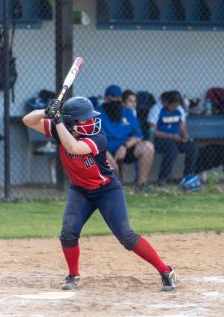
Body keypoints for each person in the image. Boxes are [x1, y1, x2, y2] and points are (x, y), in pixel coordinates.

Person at [22, 96, 176, 292]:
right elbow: (28, 120)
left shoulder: (98, 137)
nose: (92, 121)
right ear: (72, 122)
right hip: (80, 190)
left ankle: (165, 271)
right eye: (85, 119)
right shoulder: (60, 128)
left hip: (107, 190)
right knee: (68, 232)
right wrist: (47, 112)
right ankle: (73, 275)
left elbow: (73, 147)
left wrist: (58, 120)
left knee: (126, 237)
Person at [99, 85, 154, 191]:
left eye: (118, 99)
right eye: (112, 99)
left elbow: (138, 135)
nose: (115, 102)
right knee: (112, 171)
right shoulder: (97, 113)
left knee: (148, 146)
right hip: (104, 151)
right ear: (105, 99)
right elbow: (92, 139)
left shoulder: (127, 112)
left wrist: (124, 146)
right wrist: (106, 154)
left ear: (121, 99)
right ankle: (111, 188)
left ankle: (141, 184)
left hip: (125, 150)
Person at [148, 90, 200, 190]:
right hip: (160, 139)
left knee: (192, 147)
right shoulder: (156, 109)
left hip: (176, 139)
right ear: (166, 103)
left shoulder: (179, 109)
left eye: (176, 106)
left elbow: (183, 127)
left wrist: (185, 137)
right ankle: (162, 178)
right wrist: (171, 136)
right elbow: (152, 131)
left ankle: (187, 177)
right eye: (173, 106)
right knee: (172, 149)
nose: (174, 108)